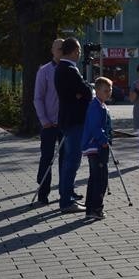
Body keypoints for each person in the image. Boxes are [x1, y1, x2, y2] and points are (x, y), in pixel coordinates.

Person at [54, 37, 93, 213]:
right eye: (78, 50)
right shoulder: (69, 69)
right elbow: (86, 92)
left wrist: (82, 93)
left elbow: (82, 92)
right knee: (72, 160)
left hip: (67, 119)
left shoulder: (62, 68)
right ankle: (66, 201)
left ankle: (67, 194)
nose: (80, 53)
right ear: (72, 51)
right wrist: (84, 93)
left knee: (69, 160)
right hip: (74, 120)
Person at [33, 38, 65, 205]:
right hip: (49, 123)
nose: (61, 51)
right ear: (52, 50)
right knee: (47, 157)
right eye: (58, 48)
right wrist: (44, 120)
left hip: (66, 123)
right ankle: (43, 193)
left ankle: (66, 192)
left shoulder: (69, 69)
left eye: (63, 48)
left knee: (66, 158)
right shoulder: (44, 71)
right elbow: (38, 98)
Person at [81, 76, 113, 221]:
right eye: (106, 90)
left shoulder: (101, 105)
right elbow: (95, 127)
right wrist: (103, 140)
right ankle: (96, 208)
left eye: (110, 90)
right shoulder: (95, 106)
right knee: (100, 178)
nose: (109, 93)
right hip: (96, 146)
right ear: (97, 91)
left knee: (95, 177)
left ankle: (90, 207)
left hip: (96, 145)